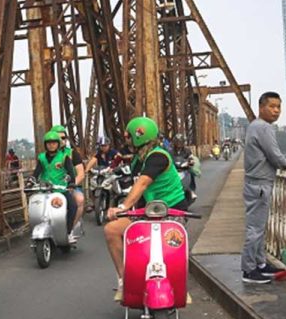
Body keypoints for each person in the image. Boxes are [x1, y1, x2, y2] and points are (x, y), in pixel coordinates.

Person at [104, 116, 189, 301]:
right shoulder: (138, 160)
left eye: (128, 137)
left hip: (170, 212)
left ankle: (177, 282)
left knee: (170, 248)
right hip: (145, 213)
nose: (126, 141)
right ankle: (124, 278)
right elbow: (134, 182)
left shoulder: (158, 156)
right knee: (111, 230)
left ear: (138, 137)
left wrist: (122, 207)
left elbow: (143, 183)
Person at [241, 92, 286, 284]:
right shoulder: (263, 128)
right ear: (261, 107)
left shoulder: (254, 126)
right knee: (255, 229)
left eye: (279, 107)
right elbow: (274, 154)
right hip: (260, 184)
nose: (276, 110)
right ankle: (249, 270)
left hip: (255, 182)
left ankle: (261, 264)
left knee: (258, 227)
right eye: (272, 106)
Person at [31, 130, 78, 235]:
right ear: (45, 145)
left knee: (73, 206)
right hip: (45, 190)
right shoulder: (41, 157)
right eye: (49, 143)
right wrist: (30, 182)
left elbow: (71, 172)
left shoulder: (64, 156)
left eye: (54, 143)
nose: (51, 145)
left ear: (58, 144)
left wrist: (71, 183)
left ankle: (68, 231)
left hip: (60, 189)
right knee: (36, 207)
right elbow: (36, 172)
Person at [51, 124, 85, 243]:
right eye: (58, 138)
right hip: (52, 188)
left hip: (69, 187)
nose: (62, 140)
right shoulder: (46, 155)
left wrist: (71, 185)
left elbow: (81, 173)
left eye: (64, 138)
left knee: (79, 199)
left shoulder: (72, 153)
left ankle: (69, 230)